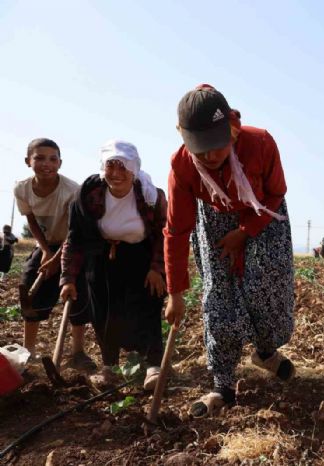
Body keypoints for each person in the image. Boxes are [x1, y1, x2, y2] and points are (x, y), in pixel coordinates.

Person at [164, 84, 295, 417]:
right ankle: (222, 384)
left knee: (266, 288)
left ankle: (265, 352)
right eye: (200, 149)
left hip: (264, 214)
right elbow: (177, 230)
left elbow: (276, 193)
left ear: (231, 130)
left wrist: (245, 231)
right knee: (218, 298)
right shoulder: (181, 166)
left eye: (216, 146)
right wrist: (175, 292)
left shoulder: (260, 143)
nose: (209, 157)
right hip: (216, 218)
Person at [60, 140, 167, 389]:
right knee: (104, 311)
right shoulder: (88, 194)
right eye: (111, 166)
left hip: (141, 254)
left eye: (124, 168)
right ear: (103, 167)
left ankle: (153, 366)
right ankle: (110, 367)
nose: (116, 174)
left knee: (148, 307)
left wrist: (157, 268)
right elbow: (75, 237)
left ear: (134, 170)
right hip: (102, 254)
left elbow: (164, 234)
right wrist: (68, 278)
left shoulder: (151, 196)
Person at [13, 138, 95, 370]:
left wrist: (58, 258)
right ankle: (29, 351)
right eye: (39, 158)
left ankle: (77, 351)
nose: (46, 163)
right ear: (28, 161)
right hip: (47, 245)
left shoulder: (72, 191)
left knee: (77, 296)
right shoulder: (22, 188)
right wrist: (46, 252)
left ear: (60, 163)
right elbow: (31, 219)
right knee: (30, 288)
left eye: (52, 158)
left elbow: (74, 230)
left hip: (75, 245)